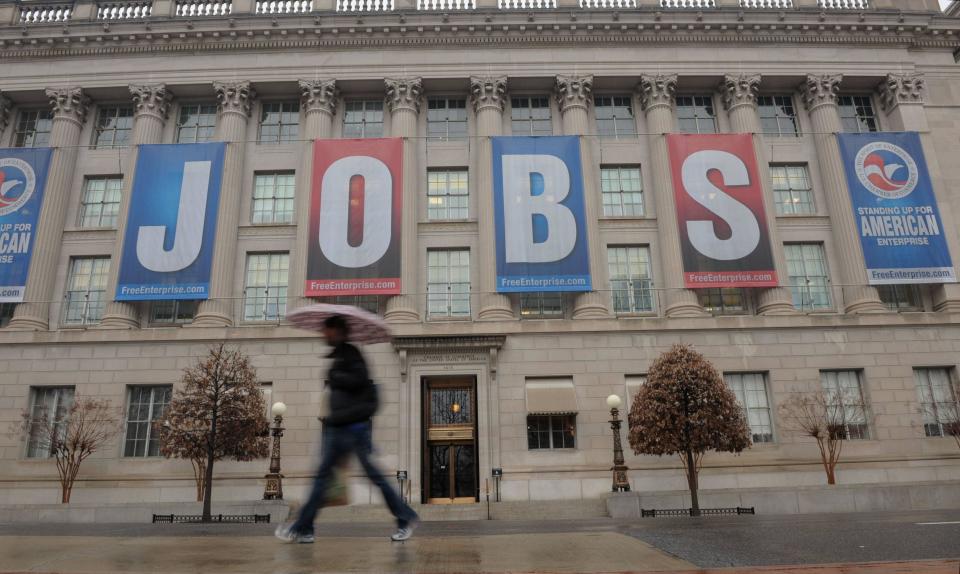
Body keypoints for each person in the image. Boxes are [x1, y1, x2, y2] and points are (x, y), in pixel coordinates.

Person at [276, 315, 419, 543]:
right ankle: (304, 528)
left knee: (365, 477)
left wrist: (336, 375)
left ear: (338, 331)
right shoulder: (340, 355)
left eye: (327, 330)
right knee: (325, 478)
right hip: (340, 426)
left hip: (352, 428)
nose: (324, 334)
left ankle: (405, 516)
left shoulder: (350, 354)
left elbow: (359, 381)